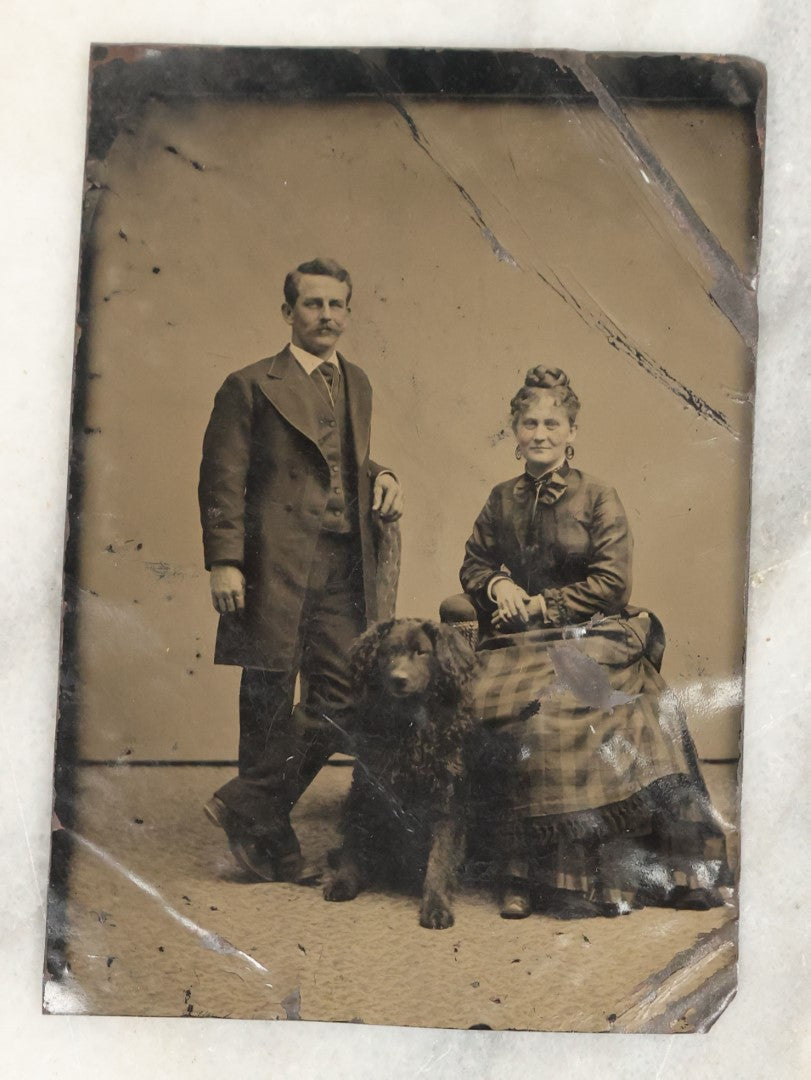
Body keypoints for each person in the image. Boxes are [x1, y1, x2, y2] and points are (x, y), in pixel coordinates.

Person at [460, 366, 731, 919]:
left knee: (604, 710)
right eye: (529, 422)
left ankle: (603, 871)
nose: (539, 433)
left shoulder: (599, 496)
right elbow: (475, 562)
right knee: (515, 714)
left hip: (593, 632)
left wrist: (544, 604)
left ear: (572, 431)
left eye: (551, 423)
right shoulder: (500, 499)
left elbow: (612, 582)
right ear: (514, 431)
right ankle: (520, 873)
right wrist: (499, 584)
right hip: (520, 640)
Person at [199, 257, 403, 883]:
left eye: (337, 304)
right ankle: (270, 839)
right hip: (274, 564)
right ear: (287, 312)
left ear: (349, 311)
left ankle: (249, 803)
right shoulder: (250, 384)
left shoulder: (358, 383)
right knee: (265, 698)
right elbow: (222, 479)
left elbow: (345, 460)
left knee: (346, 693)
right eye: (313, 304)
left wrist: (383, 474)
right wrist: (225, 561)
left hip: (345, 564)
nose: (326, 316)